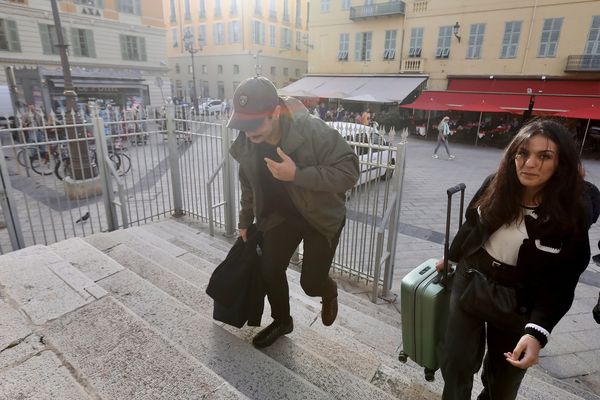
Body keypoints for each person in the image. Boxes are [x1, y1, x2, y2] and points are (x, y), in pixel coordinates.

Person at [436, 119, 590, 400]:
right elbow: (471, 225)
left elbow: (562, 282)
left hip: (520, 301)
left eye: (544, 156)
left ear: (561, 163)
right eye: (523, 153)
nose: (529, 163)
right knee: (455, 360)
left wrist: (537, 332)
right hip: (472, 279)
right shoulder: (496, 185)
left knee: (503, 382)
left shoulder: (570, 214)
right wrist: (451, 258)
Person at [227, 76, 360, 349]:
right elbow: (248, 182)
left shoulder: (311, 130)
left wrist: (296, 174)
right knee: (269, 268)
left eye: (254, 123)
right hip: (280, 217)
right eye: (243, 123)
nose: (248, 132)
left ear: (275, 112)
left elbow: (349, 171)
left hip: (318, 217)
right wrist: (245, 219)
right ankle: (282, 320)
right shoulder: (249, 139)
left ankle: (328, 289)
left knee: (310, 284)